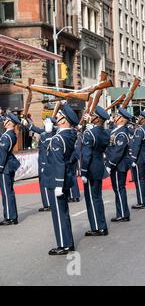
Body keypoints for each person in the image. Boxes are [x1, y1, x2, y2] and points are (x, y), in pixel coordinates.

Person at [43, 103, 79, 255]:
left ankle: (64, 245)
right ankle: (67, 242)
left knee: (59, 213)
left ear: (64, 121)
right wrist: (49, 133)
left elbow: (58, 161)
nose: (56, 117)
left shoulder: (59, 138)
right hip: (65, 177)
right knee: (62, 212)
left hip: (57, 179)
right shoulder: (69, 135)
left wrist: (58, 184)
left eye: (59, 116)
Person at [80, 106, 110, 237]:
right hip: (99, 166)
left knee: (92, 199)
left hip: (91, 169)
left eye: (93, 115)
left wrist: (84, 171)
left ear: (97, 119)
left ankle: (98, 227)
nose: (90, 116)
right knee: (97, 197)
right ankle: (101, 225)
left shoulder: (90, 133)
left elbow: (86, 155)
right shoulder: (104, 133)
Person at [22, 116, 57, 212]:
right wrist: (27, 124)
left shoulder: (52, 134)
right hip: (43, 161)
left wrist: (44, 164)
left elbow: (47, 151)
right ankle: (47, 203)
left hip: (46, 162)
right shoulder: (45, 132)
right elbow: (36, 129)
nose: (45, 123)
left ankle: (49, 204)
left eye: (47, 122)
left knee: (45, 182)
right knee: (43, 182)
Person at [106, 107, 133, 223]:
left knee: (119, 189)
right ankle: (121, 212)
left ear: (122, 119)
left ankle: (122, 214)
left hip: (118, 165)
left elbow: (118, 151)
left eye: (117, 116)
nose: (115, 117)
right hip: (118, 165)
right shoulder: (117, 130)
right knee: (118, 189)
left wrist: (109, 165)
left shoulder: (122, 133)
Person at [0, 113, 21, 226]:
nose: (4, 122)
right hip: (8, 166)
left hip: (5, 168)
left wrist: (0, 167)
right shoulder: (9, 134)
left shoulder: (7, 136)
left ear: (9, 123)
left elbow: (2, 153)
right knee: (9, 192)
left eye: (6, 120)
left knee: (7, 193)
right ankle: (12, 215)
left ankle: (10, 217)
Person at [129, 110, 145, 209]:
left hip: (138, 158)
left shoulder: (140, 130)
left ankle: (142, 202)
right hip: (144, 157)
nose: (138, 119)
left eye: (139, 118)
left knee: (139, 180)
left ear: (143, 119)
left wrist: (133, 159)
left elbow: (137, 145)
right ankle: (143, 201)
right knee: (142, 179)